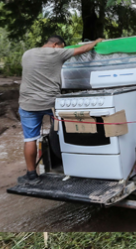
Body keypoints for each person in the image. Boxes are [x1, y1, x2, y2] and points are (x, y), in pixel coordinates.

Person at [18, 34, 103, 181]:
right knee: (65, 132)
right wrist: (96, 41)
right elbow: (83, 49)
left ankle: (31, 174)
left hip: (28, 104)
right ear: (56, 45)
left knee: (30, 139)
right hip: (51, 103)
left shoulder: (27, 54)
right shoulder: (57, 53)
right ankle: (74, 166)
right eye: (62, 47)